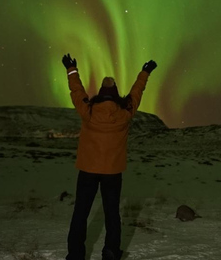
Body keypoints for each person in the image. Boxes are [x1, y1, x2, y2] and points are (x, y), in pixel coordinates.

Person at [62, 52, 157, 260]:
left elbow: (76, 91)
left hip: (87, 170)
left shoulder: (88, 111)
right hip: (112, 172)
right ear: (115, 94)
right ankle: (111, 251)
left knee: (80, 213)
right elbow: (136, 92)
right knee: (112, 213)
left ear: (100, 93)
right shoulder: (125, 113)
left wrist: (71, 69)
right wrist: (145, 72)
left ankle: (76, 255)